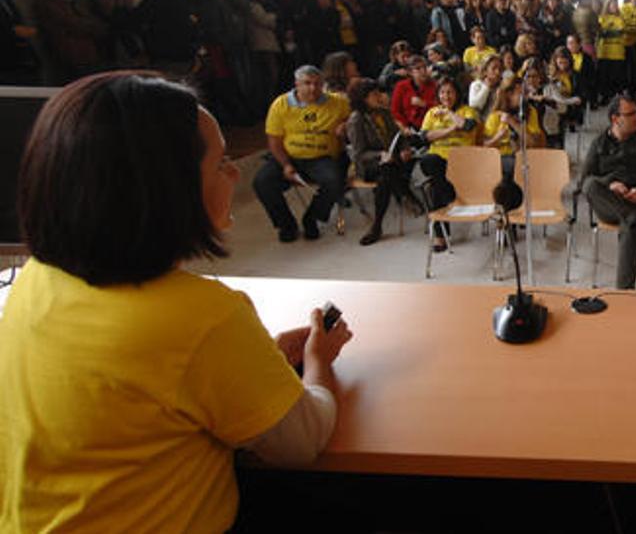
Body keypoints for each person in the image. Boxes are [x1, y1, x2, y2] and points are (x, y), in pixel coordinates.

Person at [0, 71, 351, 531]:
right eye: (222, 161)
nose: (232, 173)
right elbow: (303, 439)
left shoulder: (31, 284)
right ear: (166, 192)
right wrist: (317, 360)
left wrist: (257, 359)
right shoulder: (206, 315)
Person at [253, 65, 352, 242]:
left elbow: (354, 117)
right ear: (297, 84)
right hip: (289, 156)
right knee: (262, 182)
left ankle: (312, 218)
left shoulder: (338, 102)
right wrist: (286, 165)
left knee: (334, 181)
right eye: (307, 83)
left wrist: (346, 125)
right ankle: (286, 224)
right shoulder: (281, 104)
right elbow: (274, 141)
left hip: (322, 158)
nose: (312, 88)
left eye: (317, 84)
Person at [578, 96, 636, 290]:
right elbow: (584, 180)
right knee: (591, 185)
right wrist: (609, 184)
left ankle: (624, 293)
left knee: (630, 225)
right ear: (615, 119)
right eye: (630, 114)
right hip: (609, 204)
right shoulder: (599, 143)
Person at [346, 78, 422, 246]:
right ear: (363, 98)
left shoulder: (383, 113)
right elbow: (359, 154)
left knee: (387, 176)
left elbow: (398, 136)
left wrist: (404, 148)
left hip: (391, 160)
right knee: (386, 170)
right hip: (369, 165)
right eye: (374, 94)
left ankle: (377, 225)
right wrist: (380, 155)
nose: (379, 97)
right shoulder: (356, 119)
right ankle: (405, 194)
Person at [419, 78, 478, 252]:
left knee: (435, 187)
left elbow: (466, 126)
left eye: (450, 92)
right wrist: (451, 130)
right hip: (438, 161)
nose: (446, 96)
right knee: (429, 162)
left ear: (457, 93)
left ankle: (440, 236)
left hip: (462, 161)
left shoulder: (467, 111)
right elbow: (425, 137)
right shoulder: (431, 113)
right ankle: (449, 196)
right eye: (442, 92)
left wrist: (448, 114)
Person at [34, 0, 108, 84]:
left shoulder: (76, 0)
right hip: (67, 58)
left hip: (87, 56)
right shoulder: (47, 1)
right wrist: (88, 26)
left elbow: (97, 24)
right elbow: (74, 25)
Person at [482, 77, 544, 178]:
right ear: (509, 95)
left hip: (524, 157)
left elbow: (534, 143)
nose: (525, 98)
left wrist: (513, 123)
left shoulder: (531, 112)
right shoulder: (495, 116)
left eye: (525, 94)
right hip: (499, 158)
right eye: (520, 94)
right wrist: (497, 137)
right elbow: (484, 146)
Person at [390, 54, 437, 130]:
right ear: (410, 72)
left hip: (431, 127)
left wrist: (424, 104)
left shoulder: (434, 85)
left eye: (425, 67)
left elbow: (440, 106)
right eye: (418, 69)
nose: (423, 71)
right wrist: (405, 127)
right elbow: (395, 111)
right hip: (409, 129)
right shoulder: (401, 86)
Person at [596, 0, 625, 103]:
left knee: (616, 77)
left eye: (616, 5)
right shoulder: (601, 18)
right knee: (604, 77)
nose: (615, 7)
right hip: (604, 52)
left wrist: (607, 32)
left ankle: (616, 96)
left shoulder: (620, 18)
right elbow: (600, 33)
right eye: (612, 5)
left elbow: (620, 32)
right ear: (607, 6)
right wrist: (612, 32)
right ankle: (605, 96)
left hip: (617, 52)